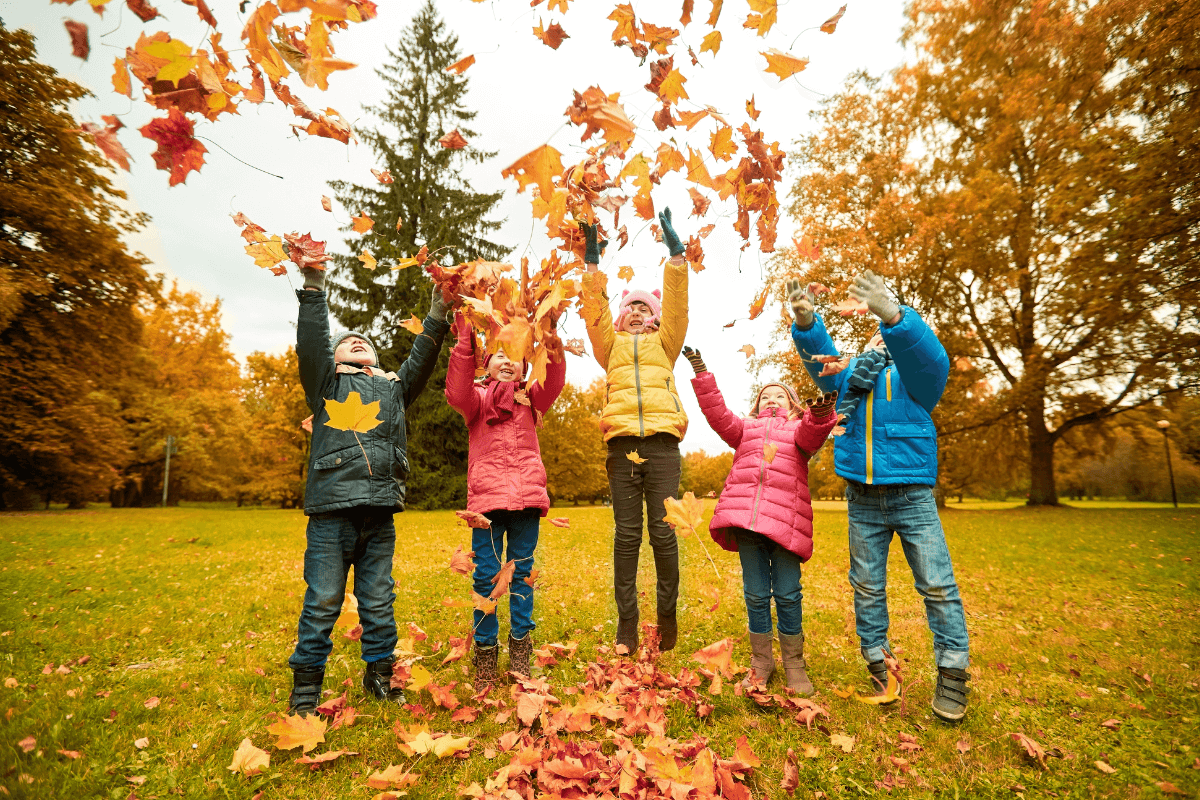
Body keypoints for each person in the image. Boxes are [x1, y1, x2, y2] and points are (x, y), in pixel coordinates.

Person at [788, 270, 970, 721]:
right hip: (862, 499)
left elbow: (931, 358)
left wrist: (894, 315)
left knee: (937, 586)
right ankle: (878, 663)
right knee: (867, 587)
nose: (881, 337)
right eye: (877, 330)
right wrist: (808, 325)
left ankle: (952, 674)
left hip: (912, 497)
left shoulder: (919, 379)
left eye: (888, 329)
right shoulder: (851, 376)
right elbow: (822, 365)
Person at [286, 260, 450, 717]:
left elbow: (421, 360)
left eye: (365, 342)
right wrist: (315, 288)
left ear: (377, 359)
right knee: (322, 601)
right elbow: (313, 344)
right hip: (331, 512)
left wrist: (438, 312)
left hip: (378, 514)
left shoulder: (394, 390)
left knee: (379, 600)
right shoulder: (326, 385)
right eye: (346, 341)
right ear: (335, 357)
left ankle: (380, 673)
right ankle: (306, 686)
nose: (357, 341)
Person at [683, 346, 837, 693]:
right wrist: (702, 373)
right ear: (755, 405)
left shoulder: (798, 429)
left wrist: (821, 414)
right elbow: (718, 414)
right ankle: (762, 661)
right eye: (765, 395)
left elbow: (813, 433)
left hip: (785, 524)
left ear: (794, 405)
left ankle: (794, 663)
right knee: (755, 594)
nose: (771, 399)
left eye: (779, 395)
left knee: (787, 593)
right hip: (748, 523)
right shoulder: (745, 430)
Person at [579, 209, 689, 654]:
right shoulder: (611, 347)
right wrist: (592, 267)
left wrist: (676, 257)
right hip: (622, 444)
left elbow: (678, 308)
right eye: (632, 308)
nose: (639, 312)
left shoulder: (667, 343)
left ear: (655, 317)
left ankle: (666, 619)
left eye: (646, 307)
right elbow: (594, 315)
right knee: (627, 535)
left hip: (663, 445)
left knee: (663, 533)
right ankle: (627, 625)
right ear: (621, 318)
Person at [444, 311, 566, 683]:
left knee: (522, 574)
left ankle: (520, 649)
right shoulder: (476, 401)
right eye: (499, 354)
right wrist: (465, 335)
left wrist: (550, 333)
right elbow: (457, 390)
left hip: (527, 499)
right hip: (487, 504)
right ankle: (485, 654)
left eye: (515, 355)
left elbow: (554, 380)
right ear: (486, 363)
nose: (508, 361)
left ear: (526, 364)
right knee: (486, 577)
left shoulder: (531, 398)